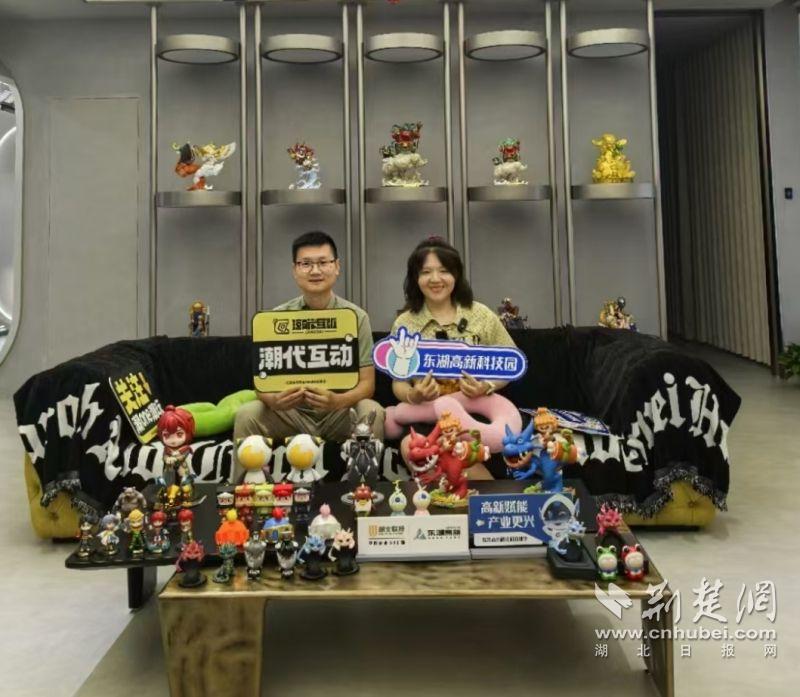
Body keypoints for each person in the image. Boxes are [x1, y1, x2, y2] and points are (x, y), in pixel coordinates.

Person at [233, 231, 384, 481]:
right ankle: (241, 494)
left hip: (339, 412)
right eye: (306, 264)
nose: (315, 271)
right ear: (295, 270)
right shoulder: (276, 318)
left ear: (337, 267)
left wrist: (338, 401)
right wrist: (275, 400)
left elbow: (367, 384)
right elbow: (261, 384)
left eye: (323, 262)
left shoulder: (356, 317)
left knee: (372, 410)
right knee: (247, 414)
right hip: (290, 412)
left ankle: (364, 492)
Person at [390, 237, 518, 480]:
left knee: (460, 450)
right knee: (411, 447)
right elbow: (398, 382)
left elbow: (510, 364)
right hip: (428, 415)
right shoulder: (404, 324)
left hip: (474, 412)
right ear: (415, 278)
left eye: (444, 271)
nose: (435, 279)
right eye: (426, 272)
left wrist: (486, 386)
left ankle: (480, 497)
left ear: (456, 275)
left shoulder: (480, 315)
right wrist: (414, 395)